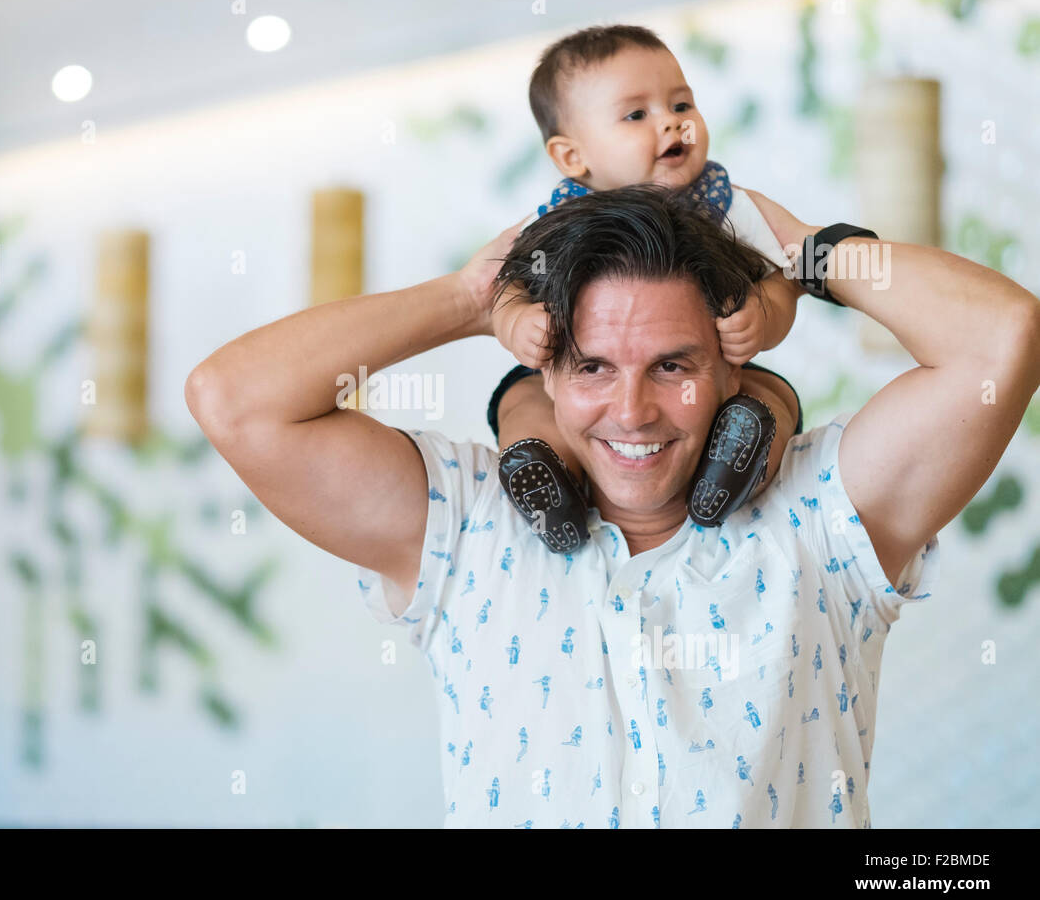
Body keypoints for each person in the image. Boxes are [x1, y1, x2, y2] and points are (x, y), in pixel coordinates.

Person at [184, 184, 1040, 828]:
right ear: (544, 371)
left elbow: (1001, 339)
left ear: (730, 369)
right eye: (593, 367)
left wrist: (810, 256)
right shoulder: (466, 524)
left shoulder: (822, 516)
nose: (631, 412)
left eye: (672, 365)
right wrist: (470, 299)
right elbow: (235, 399)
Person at [490, 25, 803, 553]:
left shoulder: (732, 205)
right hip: (566, 375)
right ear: (572, 157)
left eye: (681, 104)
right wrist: (518, 322)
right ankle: (546, 478)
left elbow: (799, 267)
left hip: (716, 370)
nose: (671, 123)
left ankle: (734, 474)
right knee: (523, 402)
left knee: (768, 400)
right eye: (637, 115)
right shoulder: (554, 223)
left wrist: (767, 311)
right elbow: (501, 291)